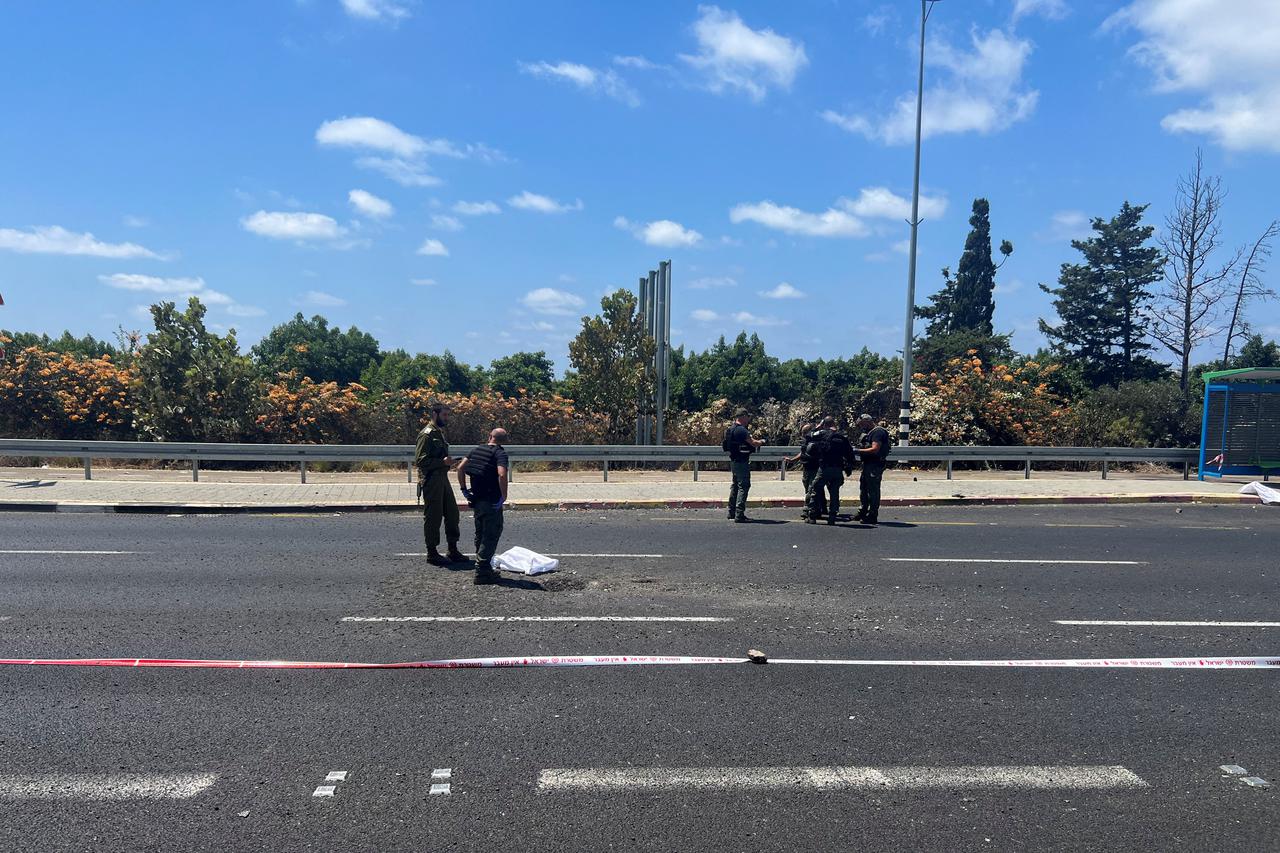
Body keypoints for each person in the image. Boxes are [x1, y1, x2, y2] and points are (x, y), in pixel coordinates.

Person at [457, 428, 509, 585]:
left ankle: (480, 564)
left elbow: (460, 468)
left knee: (480, 532)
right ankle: (483, 571)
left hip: (477, 498)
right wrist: (503, 496)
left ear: (489, 437)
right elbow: (501, 474)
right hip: (491, 500)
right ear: (505, 441)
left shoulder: (476, 449)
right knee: (491, 533)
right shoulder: (500, 453)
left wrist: (464, 490)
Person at [414, 402, 464, 567]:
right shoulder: (426, 434)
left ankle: (452, 549)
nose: (447, 418)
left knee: (452, 513)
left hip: (442, 478)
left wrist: (448, 462)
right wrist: (441, 462)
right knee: (433, 517)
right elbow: (420, 461)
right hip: (431, 480)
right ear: (435, 414)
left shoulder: (439, 433)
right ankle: (432, 552)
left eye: (447, 415)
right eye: (444, 415)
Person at [805, 416, 856, 525]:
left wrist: (816, 428)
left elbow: (808, 436)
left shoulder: (822, 434)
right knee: (834, 492)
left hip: (824, 468)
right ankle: (832, 517)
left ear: (824, 424)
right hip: (838, 469)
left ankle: (812, 516)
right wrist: (848, 468)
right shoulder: (842, 437)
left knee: (815, 489)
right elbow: (850, 454)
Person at [722, 408, 763, 523]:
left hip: (734, 460)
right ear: (743, 416)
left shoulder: (731, 429)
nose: (748, 419)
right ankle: (739, 514)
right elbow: (753, 443)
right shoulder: (741, 430)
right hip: (741, 461)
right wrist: (762, 442)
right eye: (747, 416)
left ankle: (732, 511)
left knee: (735, 485)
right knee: (743, 486)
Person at [854, 413, 892, 525]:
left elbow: (875, 449)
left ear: (867, 421)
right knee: (864, 489)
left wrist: (857, 451)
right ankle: (863, 511)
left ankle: (872, 514)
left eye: (862, 424)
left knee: (873, 491)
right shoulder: (869, 433)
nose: (861, 427)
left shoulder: (877, 432)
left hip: (874, 465)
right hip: (867, 464)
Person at [786, 422, 826, 521]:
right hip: (806, 469)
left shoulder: (817, 441)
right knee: (809, 489)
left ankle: (808, 510)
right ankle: (818, 509)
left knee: (811, 490)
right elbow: (803, 452)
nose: (804, 435)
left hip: (814, 469)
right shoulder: (806, 441)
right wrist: (792, 460)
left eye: (805, 432)